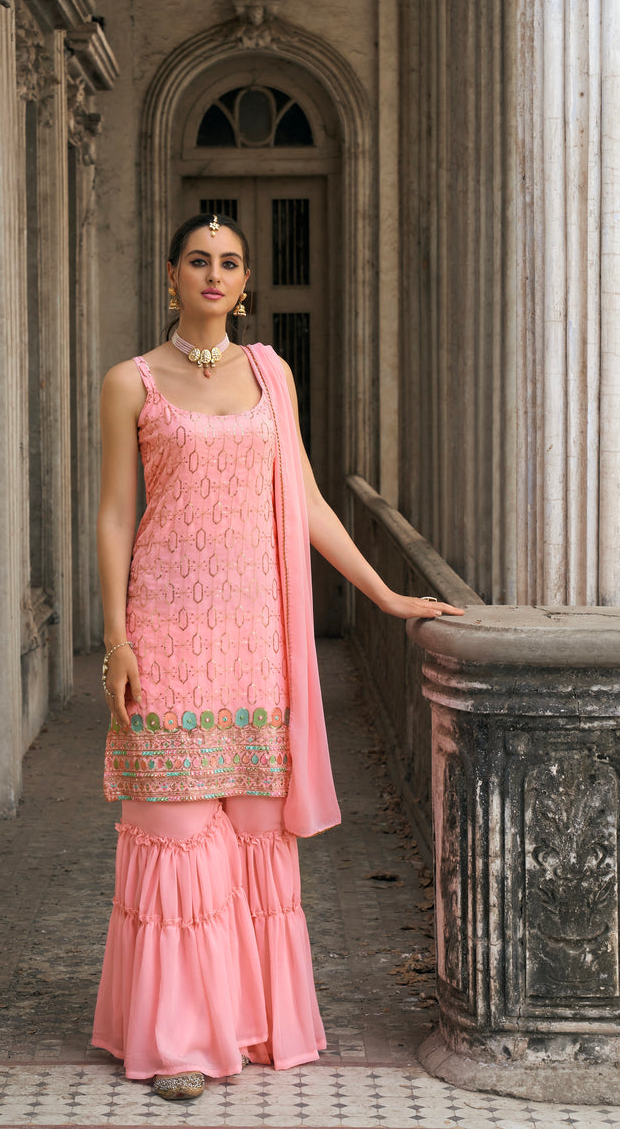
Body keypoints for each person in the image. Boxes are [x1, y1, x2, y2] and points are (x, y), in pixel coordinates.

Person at [91, 213, 464, 1100]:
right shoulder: (130, 382)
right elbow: (113, 514)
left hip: (255, 640)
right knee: (177, 833)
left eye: (229, 263)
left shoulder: (271, 373)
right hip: (168, 632)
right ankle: (179, 1038)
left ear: (247, 283)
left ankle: (251, 1023)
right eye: (198, 260)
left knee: (255, 836)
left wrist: (382, 593)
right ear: (171, 275)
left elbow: (302, 499)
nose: (214, 275)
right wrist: (116, 637)